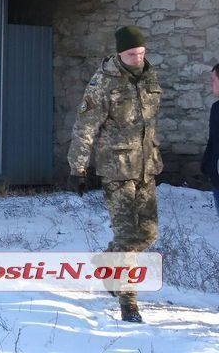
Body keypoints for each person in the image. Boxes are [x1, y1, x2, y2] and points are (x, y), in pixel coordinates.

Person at [68, 26, 163, 324]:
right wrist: (78, 168)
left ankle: (107, 260)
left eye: (142, 53)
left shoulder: (149, 75)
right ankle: (128, 302)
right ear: (120, 53)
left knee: (147, 233)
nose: (138, 58)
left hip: (146, 167)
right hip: (117, 170)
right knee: (125, 235)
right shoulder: (103, 82)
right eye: (132, 54)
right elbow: (85, 127)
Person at [201, 63, 219, 217]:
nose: (210, 83)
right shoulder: (216, 108)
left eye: (213, 80)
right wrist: (207, 165)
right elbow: (213, 141)